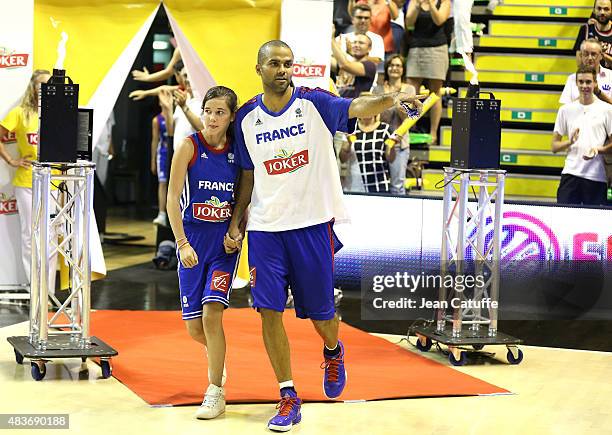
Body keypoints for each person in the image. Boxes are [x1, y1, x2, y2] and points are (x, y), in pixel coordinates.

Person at [224, 40, 422, 432]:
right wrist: (237, 219)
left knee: (321, 315)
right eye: (275, 64)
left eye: (288, 64)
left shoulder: (314, 101)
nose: (283, 69)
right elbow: (247, 175)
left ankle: (333, 350)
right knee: (268, 309)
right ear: (259, 69)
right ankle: (287, 395)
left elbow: (358, 106)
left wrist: (392, 98)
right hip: (265, 228)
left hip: (311, 224)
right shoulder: (246, 117)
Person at [166, 86, 240, 420]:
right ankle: (218, 361)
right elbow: (171, 199)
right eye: (208, 110)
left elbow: (245, 196)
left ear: (231, 117)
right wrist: (181, 243)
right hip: (192, 242)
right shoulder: (188, 147)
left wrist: (237, 229)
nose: (212, 118)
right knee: (195, 328)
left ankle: (215, 391)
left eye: (220, 112)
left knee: (212, 315)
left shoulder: (238, 153)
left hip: (223, 247)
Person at [0, 69, 60, 294]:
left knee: (52, 235)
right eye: (40, 85)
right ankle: (35, 288)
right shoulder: (20, 113)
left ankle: (49, 292)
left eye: (48, 85)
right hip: (27, 181)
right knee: (29, 235)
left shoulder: (59, 114)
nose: (44, 89)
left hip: (54, 180)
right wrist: (11, 160)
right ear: (33, 88)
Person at [552, 66, 612, 206]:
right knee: (564, 221)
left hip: (596, 177)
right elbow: (554, 146)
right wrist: (569, 142)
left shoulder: (607, 110)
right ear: (576, 83)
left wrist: (598, 150)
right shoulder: (565, 110)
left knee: (593, 226)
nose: (584, 86)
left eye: (588, 82)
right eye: (581, 82)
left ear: (595, 83)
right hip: (570, 174)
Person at [404, 0, 451, 145]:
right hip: (417, 47)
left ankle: (433, 132)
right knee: (411, 92)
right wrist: (418, 6)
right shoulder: (414, 1)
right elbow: (409, 23)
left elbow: (439, 20)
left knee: (435, 93)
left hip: (437, 48)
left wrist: (430, 4)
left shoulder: (444, 1)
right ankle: (408, 128)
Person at [373, 54, 416, 194]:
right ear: (386, 68)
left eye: (398, 65)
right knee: (378, 183)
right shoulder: (378, 89)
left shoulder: (409, 89)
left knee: (397, 185)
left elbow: (409, 117)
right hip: (379, 140)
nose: (394, 68)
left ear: (403, 69)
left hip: (399, 142)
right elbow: (374, 114)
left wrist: (397, 103)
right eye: (391, 65)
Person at [340, 110, 396, 193]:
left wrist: (392, 146)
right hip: (354, 186)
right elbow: (342, 159)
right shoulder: (351, 128)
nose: (367, 110)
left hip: (379, 186)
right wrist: (348, 143)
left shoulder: (385, 130)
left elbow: (391, 159)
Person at [561, 39, 612, 105]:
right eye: (586, 54)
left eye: (593, 54)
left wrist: (598, 93)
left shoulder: (611, 76)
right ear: (581, 56)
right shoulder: (572, 78)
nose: (590, 58)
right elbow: (565, 109)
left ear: (601, 56)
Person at [332, 34, 377, 98]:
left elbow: (344, 65)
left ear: (369, 48)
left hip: (355, 106)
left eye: (361, 43)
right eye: (354, 42)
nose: (356, 45)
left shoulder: (369, 65)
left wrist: (332, 39)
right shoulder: (349, 62)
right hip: (338, 103)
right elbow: (330, 63)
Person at [573, 0, 612, 69]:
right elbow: (580, 64)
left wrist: (602, 55)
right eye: (599, 8)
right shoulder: (585, 30)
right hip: (590, 77)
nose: (602, 12)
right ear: (594, 10)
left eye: (606, 9)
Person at [150, 108, 170, 226]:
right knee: (162, 183)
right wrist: (153, 160)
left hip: (176, 152)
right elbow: (154, 141)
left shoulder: (176, 114)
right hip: (163, 153)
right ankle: (162, 213)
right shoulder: (156, 120)